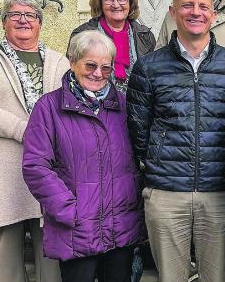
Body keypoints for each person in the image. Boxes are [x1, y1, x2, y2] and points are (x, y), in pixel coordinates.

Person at [126, 0, 225, 282]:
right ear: (173, 11)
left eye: (203, 6)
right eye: (187, 5)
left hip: (218, 191)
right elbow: (138, 128)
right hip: (166, 192)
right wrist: (158, 163)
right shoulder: (148, 67)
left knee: (216, 278)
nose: (195, 12)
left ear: (213, 14)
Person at [22, 30, 144, 282]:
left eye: (106, 68)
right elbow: (35, 166)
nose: (98, 73)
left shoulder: (123, 105)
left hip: (120, 227)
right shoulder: (48, 108)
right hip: (76, 230)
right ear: (72, 61)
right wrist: (68, 210)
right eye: (90, 65)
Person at [0, 0, 65, 282]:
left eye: (31, 15)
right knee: (5, 261)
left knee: (53, 259)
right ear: (4, 23)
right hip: (3, 170)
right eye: (15, 15)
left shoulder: (58, 62)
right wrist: (23, 130)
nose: (23, 20)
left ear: (40, 24)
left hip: (49, 168)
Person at [69, 0, 156, 92]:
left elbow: (154, 77)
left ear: (130, 3)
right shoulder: (82, 35)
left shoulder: (145, 36)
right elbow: (74, 73)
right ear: (100, 3)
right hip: (96, 104)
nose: (115, 5)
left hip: (136, 105)